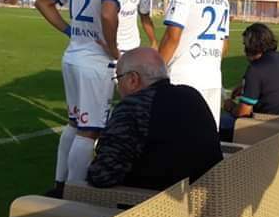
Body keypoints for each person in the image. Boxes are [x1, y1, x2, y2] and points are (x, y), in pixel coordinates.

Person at [35, 0, 131, 197]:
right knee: (89, 131)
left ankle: (60, 184)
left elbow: (43, 2)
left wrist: (69, 31)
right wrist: (113, 49)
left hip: (72, 56)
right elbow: (109, 14)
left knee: (74, 124)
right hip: (94, 63)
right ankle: (75, 194)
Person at [87, 48, 222, 190]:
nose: (117, 87)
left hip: (154, 199)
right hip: (212, 194)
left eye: (118, 79)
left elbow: (102, 175)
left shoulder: (134, 106)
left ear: (133, 79)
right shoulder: (191, 94)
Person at [158, 0, 229, 129]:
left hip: (183, 79)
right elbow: (224, 44)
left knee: (174, 138)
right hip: (212, 79)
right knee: (205, 138)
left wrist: (153, 73)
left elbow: (172, 36)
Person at [221, 23, 279, 140]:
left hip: (271, 130)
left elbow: (243, 113)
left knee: (217, 124)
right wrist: (245, 88)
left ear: (251, 46)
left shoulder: (256, 69)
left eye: (245, 45)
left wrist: (230, 106)